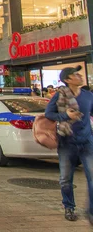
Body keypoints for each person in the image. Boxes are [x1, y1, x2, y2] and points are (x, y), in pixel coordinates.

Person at [45, 65, 93, 223]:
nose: (80, 76)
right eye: (76, 75)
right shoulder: (60, 95)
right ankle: (69, 207)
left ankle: (91, 210)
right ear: (67, 80)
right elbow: (49, 114)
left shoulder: (88, 95)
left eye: (79, 74)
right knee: (66, 178)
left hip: (87, 141)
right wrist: (65, 115)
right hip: (67, 141)